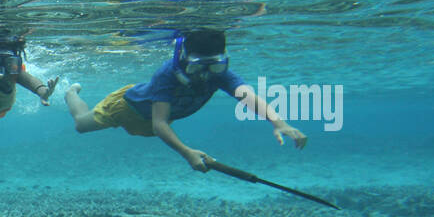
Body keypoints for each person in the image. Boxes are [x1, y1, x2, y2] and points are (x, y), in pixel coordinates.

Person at [63, 28, 307, 172]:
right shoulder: (167, 74)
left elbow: (248, 97)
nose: (205, 75)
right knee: (81, 125)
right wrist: (186, 152)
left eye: (214, 66)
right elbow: (160, 123)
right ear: (184, 59)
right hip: (127, 108)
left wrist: (279, 123)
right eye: (198, 67)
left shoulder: (219, 75)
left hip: (155, 122)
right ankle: (71, 93)